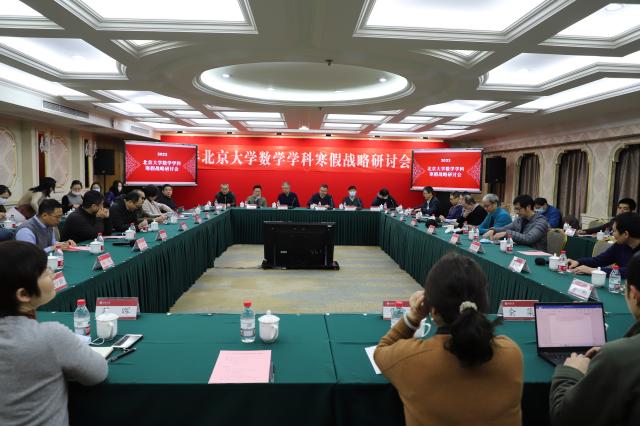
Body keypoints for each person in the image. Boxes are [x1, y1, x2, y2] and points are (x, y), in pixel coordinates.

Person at [374, 253, 523, 426]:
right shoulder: (511, 354)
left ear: (432, 309)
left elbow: (382, 350)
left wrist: (413, 317)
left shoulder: (411, 358)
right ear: (483, 303)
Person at [0, 241, 108, 426]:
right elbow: (98, 373)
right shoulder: (50, 336)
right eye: (44, 272)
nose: (52, 274)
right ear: (24, 294)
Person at [549, 255, 640, 425]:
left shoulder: (616, 357)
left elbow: (565, 418)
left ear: (634, 295)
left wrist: (570, 372)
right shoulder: (617, 355)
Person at [567, 212, 640, 278]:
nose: (612, 234)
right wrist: (578, 262)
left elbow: (629, 272)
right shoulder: (620, 245)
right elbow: (599, 260)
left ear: (626, 234)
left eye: (614, 231)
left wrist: (593, 270)